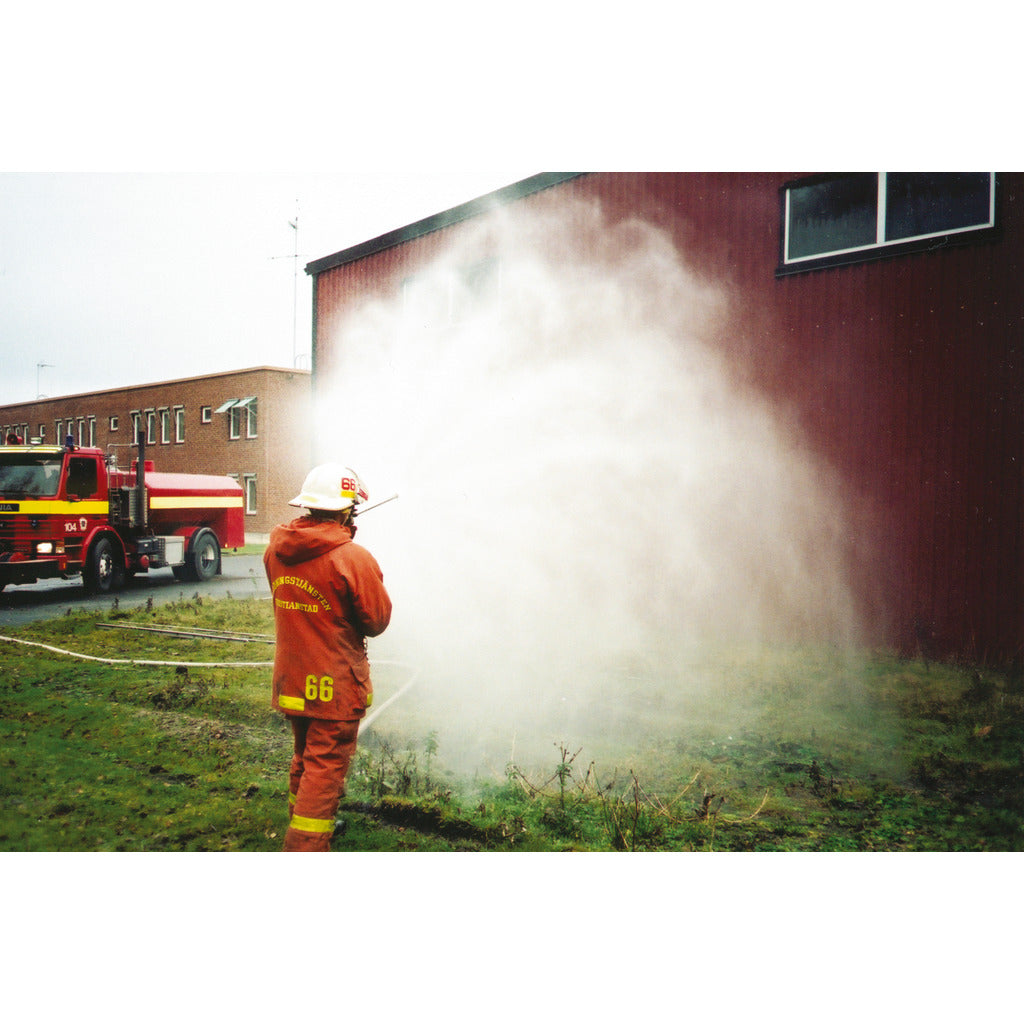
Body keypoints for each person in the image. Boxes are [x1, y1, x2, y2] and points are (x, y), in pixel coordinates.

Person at [263, 462, 392, 851]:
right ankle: (304, 847)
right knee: (324, 769)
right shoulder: (352, 558)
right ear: (347, 509)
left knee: (304, 759)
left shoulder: (276, 550)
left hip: (294, 680)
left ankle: (302, 828)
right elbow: (376, 621)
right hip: (333, 687)